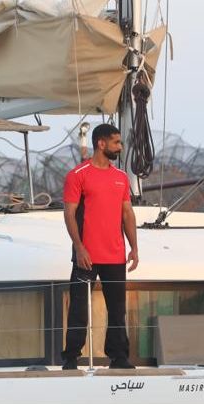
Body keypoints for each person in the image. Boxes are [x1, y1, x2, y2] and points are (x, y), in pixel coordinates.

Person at [61, 123, 139, 370]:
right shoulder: (78, 174)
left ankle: (119, 357)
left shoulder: (121, 177)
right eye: (116, 142)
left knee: (117, 310)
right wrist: (79, 248)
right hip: (86, 256)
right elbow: (69, 214)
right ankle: (71, 358)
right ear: (101, 143)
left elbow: (127, 214)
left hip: (115, 256)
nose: (120, 147)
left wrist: (134, 248)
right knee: (78, 309)